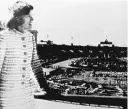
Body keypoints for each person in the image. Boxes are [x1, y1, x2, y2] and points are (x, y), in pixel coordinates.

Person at [0, 1, 58, 109]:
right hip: (7, 97)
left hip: (26, 97)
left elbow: (36, 65)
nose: (32, 19)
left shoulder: (30, 37)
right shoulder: (3, 37)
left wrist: (45, 87)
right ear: (18, 18)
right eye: (28, 16)